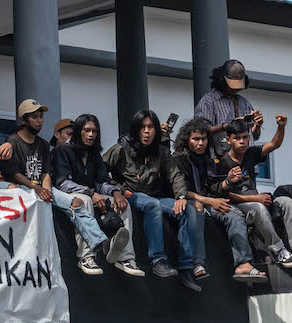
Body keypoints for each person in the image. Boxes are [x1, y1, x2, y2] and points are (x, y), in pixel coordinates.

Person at [0, 100, 115, 278]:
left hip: (41, 187)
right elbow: (14, 174)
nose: (39, 121)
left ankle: (101, 242)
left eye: (41, 117)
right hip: (22, 188)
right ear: (23, 120)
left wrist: (46, 190)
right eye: (34, 117)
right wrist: (36, 189)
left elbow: (46, 173)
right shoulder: (12, 141)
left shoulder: (43, 144)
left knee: (76, 202)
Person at [169, 117, 267, 284]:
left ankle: (243, 263)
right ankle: (197, 263)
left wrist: (227, 182)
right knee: (198, 207)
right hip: (187, 202)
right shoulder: (178, 158)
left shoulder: (207, 159)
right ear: (187, 140)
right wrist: (209, 200)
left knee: (234, 213)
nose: (201, 143)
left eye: (204, 139)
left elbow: (214, 187)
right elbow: (181, 190)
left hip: (208, 201)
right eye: (196, 139)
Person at [211, 117, 292, 268]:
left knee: (285, 201)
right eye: (237, 138)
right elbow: (226, 197)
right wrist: (256, 198)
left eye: (245, 137)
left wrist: (281, 127)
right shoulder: (223, 163)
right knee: (258, 207)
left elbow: (274, 144)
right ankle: (278, 250)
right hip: (240, 207)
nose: (242, 141)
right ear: (229, 140)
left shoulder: (250, 153)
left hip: (259, 201)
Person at [102, 109, 192, 281]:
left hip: (155, 196)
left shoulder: (161, 151)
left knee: (185, 210)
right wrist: (118, 190)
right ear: (136, 129)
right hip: (131, 195)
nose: (147, 131)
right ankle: (158, 260)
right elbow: (100, 172)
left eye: (151, 127)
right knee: (153, 205)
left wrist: (181, 197)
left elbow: (176, 176)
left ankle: (187, 266)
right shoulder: (120, 149)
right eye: (142, 127)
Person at [49, 113, 139, 278]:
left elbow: (102, 181)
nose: (91, 134)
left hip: (92, 193)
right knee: (84, 201)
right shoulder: (63, 150)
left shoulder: (94, 153)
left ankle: (125, 258)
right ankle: (86, 256)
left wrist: (116, 192)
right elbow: (63, 183)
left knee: (123, 204)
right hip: (67, 195)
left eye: (94, 131)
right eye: (87, 130)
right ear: (78, 131)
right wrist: (92, 193)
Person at [194, 59, 263, 156]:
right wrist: (226, 126)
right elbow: (200, 131)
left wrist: (257, 125)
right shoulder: (209, 101)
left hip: (245, 159)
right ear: (222, 80)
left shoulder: (244, 102)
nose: (235, 89)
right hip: (220, 159)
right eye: (232, 85)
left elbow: (253, 136)